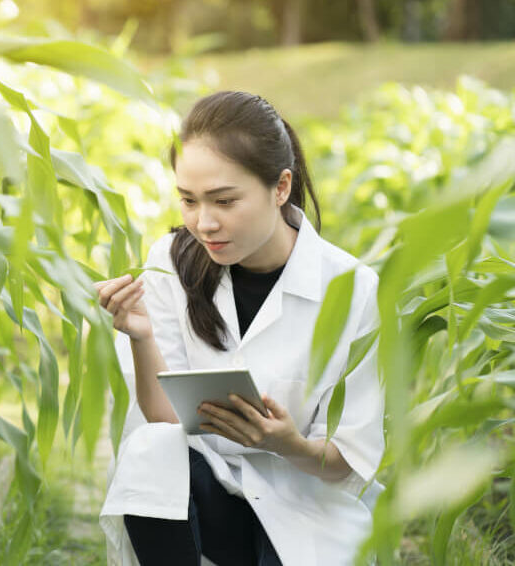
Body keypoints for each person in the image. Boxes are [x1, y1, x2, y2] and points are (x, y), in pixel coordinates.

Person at [93, 91, 385, 566]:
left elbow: (350, 460)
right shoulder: (170, 263)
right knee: (149, 450)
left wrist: (286, 443)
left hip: (305, 504)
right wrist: (140, 335)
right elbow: (164, 418)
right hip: (206, 497)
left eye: (225, 201)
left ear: (281, 187)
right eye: (188, 200)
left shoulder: (352, 289)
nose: (203, 223)